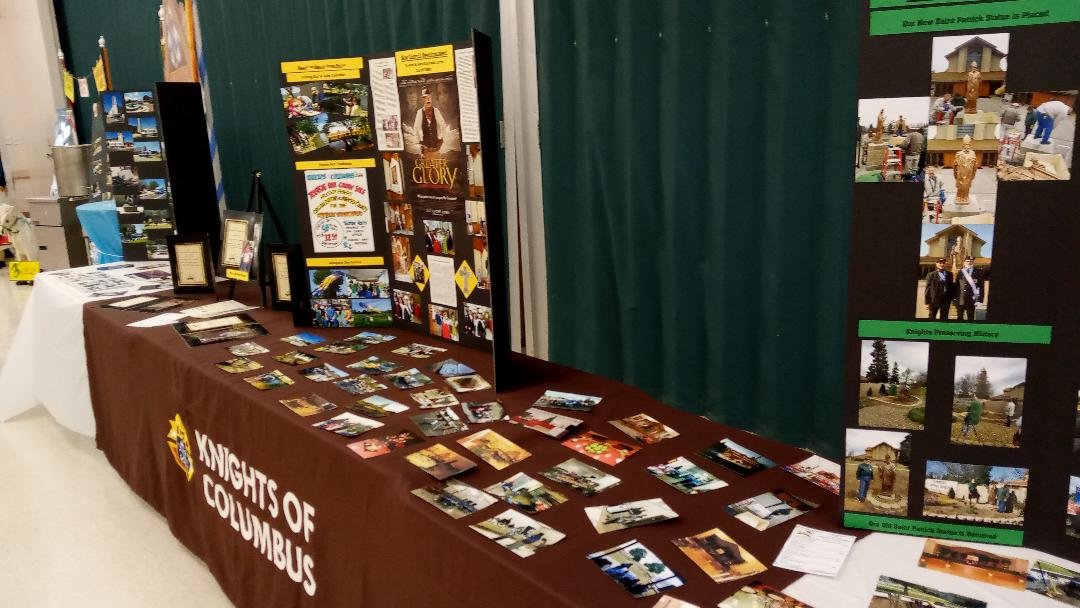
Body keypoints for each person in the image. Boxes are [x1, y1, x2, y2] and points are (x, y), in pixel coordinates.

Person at [413, 88, 449, 153]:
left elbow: (443, 126)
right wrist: (419, 146)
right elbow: (415, 130)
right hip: (424, 147)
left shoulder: (436, 111)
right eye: (426, 98)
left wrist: (441, 141)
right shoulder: (419, 112)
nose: (428, 100)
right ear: (423, 100)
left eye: (429, 97)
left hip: (436, 148)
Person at [953, 256, 984, 321]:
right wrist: (955, 298)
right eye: (967, 261)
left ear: (973, 262)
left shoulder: (978, 272)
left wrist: (980, 300)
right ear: (964, 262)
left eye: (971, 261)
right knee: (960, 316)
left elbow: (981, 287)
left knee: (970, 316)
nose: (969, 262)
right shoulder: (960, 272)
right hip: (961, 298)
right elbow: (957, 286)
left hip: (972, 298)